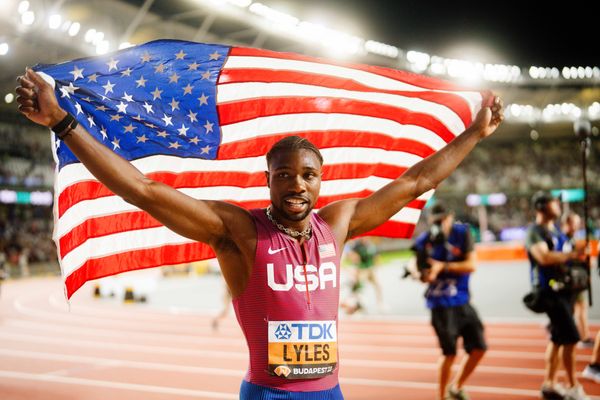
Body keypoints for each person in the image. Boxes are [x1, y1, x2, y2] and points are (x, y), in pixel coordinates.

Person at [16, 68, 503, 399]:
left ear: (320, 181)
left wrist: (475, 135)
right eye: (285, 174)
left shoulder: (338, 224)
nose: (296, 183)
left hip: (329, 392)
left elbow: (418, 181)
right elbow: (145, 191)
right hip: (269, 393)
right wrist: (62, 121)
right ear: (267, 179)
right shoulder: (238, 231)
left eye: (307, 175)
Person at [411, 203, 486, 400]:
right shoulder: (424, 241)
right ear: (429, 221)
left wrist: (442, 267)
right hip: (440, 305)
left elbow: (472, 265)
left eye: (443, 219)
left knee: (479, 347)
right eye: (435, 221)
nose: (440, 224)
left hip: (462, 301)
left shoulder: (462, 234)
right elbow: (419, 271)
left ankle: (457, 386)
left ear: (450, 217)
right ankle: (442, 397)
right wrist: (422, 273)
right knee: (449, 353)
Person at [525, 191, 589, 400]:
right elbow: (543, 257)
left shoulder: (557, 232)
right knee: (571, 338)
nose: (558, 205)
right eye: (554, 202)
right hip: (549, 292)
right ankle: (572, 386)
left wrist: (578, 256)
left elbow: (566, 255)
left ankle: (549, 384)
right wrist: (571, 255)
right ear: (542, 207)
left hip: (564, 292)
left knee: (557, 339)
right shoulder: (535, 231)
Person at [560, 212, 593, 348]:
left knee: (579, 308)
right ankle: (580, 337)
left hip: (577, 281)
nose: (577, 226)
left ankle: (584, 336)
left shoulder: (570, 239)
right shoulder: (563, 239)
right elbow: (565, 259)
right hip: (569, 282)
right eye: (574, 223)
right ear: (567, 224)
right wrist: (580, 255)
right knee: (572, 310)